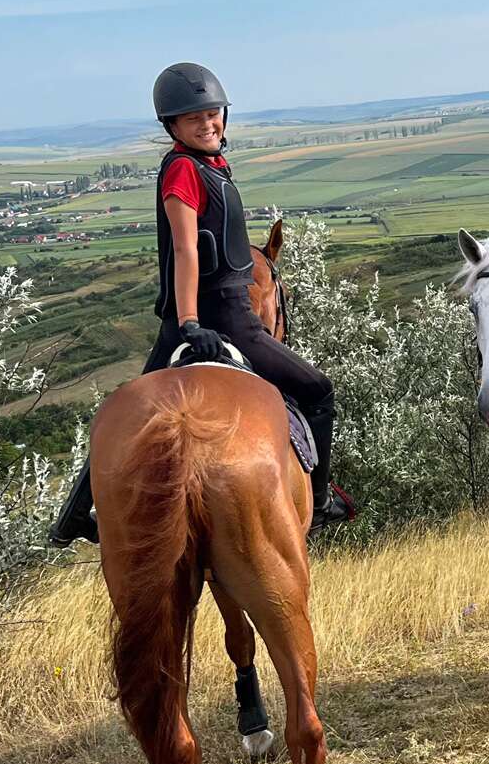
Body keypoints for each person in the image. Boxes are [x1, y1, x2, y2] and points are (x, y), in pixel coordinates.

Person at [49, 62, 354, 546]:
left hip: (180, 322)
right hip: (227, 319)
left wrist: (182, 323)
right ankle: (318, 503)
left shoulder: (208, 165)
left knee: (123, 414)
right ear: (172, 126)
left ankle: (74, 516)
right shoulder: (184, 171)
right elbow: (186, 248)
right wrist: (192, 322)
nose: (207, 123)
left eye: (213, 114)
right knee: (318, 390)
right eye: (194, 118)